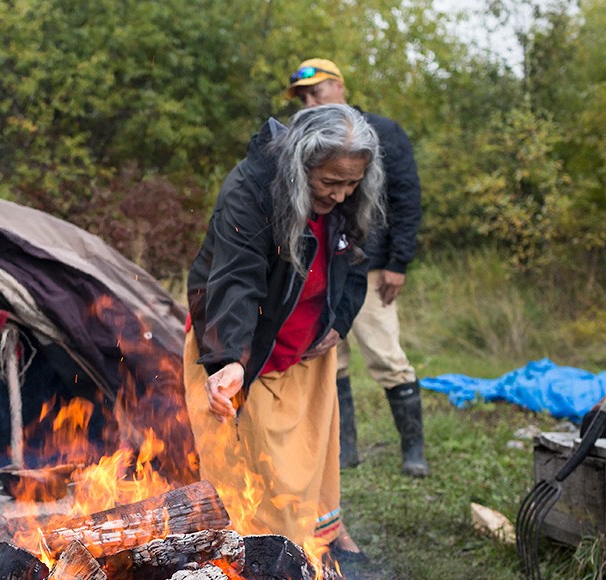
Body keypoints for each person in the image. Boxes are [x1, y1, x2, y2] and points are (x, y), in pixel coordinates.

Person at [183, 104, 384, 553]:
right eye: (330, 182)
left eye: (351, 184)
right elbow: (235, 278)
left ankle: (309, 546)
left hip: (307, 344)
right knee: (253, 465)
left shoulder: (350, 197)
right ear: (300, 163)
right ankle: (249, 564)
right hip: (241, 339)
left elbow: (355, 260)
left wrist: (339, 320)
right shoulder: (250, 188)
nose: (340, 195)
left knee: (308, 457)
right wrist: (227, 359)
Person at [289, 58, 428, 477]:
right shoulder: (304, 141)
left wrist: (398, 261)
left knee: (387, 357)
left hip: (370, 267)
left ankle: (413, 452)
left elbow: (407, 198)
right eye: (303, 98)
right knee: (334, 361)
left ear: (340, 87)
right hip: (321, 272)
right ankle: (343, 450)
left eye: (317, 92)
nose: (310, 102)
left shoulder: (383, 132)